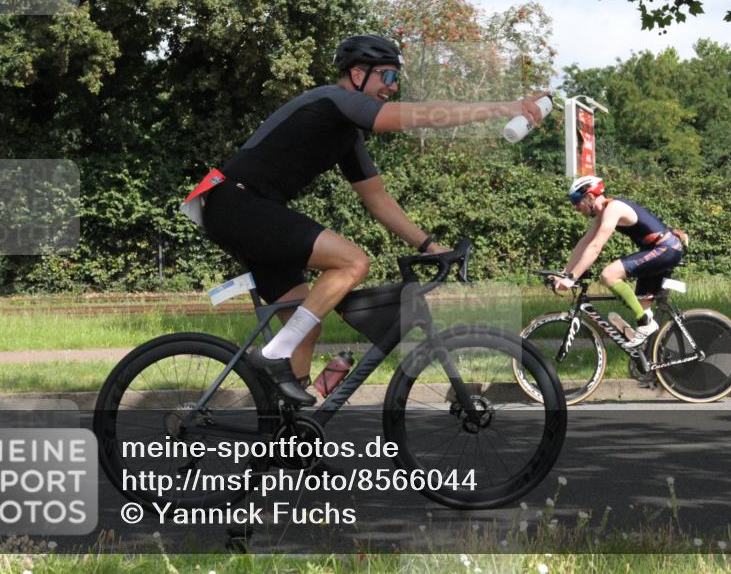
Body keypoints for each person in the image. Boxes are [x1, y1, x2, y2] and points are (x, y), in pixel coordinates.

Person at [198, 35, 547, 405]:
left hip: (245, 209)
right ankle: (273, 355)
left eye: (396, 80)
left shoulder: (346, 134)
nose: (392, 88)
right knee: (352, 261)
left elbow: (378, 200)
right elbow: (423, 116)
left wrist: (429, 246)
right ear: (357, 74)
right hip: (237, 203)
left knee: (305, 326)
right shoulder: (334, 100)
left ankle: (288, 431)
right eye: (387, 77)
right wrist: (503, 107)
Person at [551, 175, 685, 349]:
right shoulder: (603, 213)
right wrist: (564, 273)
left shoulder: (613, 209)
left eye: (576, 201)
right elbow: (584, 243)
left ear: (590, 196)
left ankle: (645, 323)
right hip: (657, 250)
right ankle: (650, 356)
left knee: (609, 274)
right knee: (641, 306)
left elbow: (595, 247)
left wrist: (572, 278)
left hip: (665, 249)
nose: (575, 208)